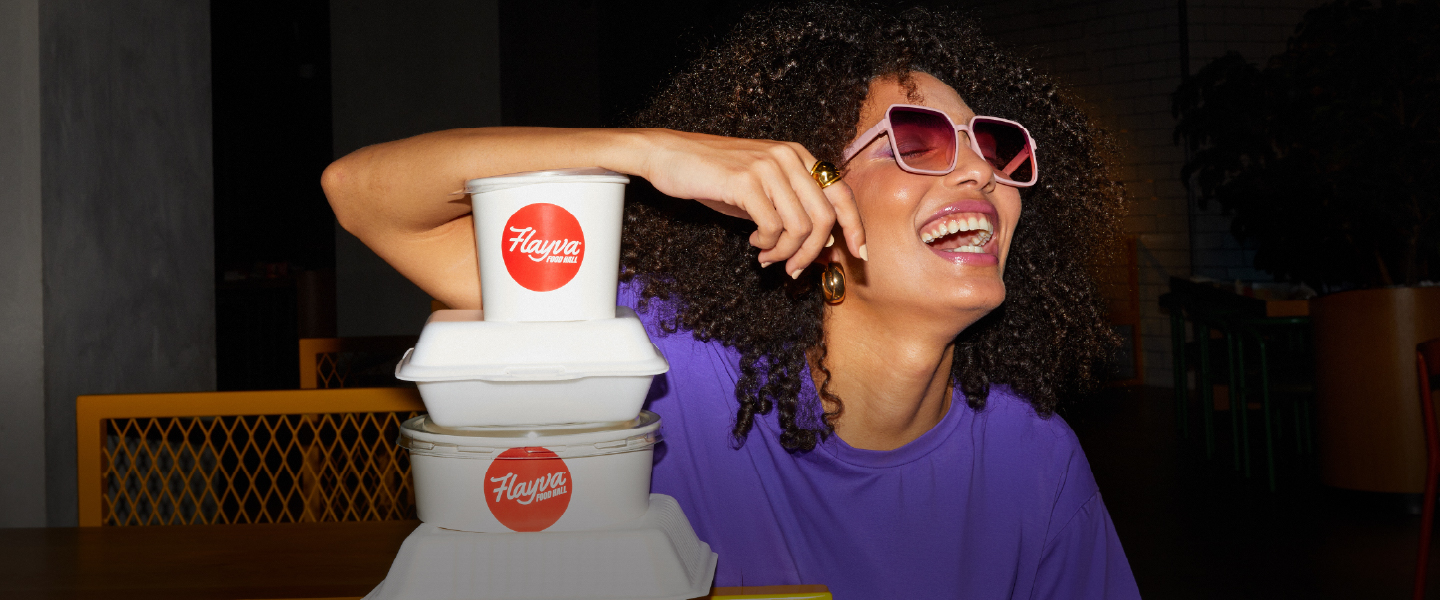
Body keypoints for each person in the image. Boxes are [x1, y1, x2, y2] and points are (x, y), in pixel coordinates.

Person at [322, 3, 1140, 598]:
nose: (979, 173)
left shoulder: (1036, 464)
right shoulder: (664, 367)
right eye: (918, 139)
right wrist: (643, 154)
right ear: (812, 199)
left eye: (993, 146)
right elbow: (362, 193)